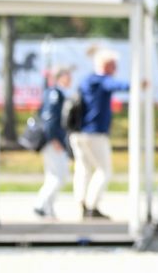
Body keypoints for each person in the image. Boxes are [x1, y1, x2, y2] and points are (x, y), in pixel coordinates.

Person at [71, 48, 130, 219]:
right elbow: (118, 85)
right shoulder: (101, 81)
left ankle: (81, 201)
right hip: (94, 133)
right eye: (114, 65)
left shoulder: (85, 81)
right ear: (106, 65)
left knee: (83, 169)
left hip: (79, 132)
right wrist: (139, 83)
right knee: (104, 170)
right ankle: (92, 205)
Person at [34, 67, 72, 219]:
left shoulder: (55, 92)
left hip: (54, 140)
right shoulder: (55, 93)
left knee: (53, 175)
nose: (70, 79)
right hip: (54, 141)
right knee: (60, 176)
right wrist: (53, 139)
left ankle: (48, 208)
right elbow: (49, 118)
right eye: (68, 75)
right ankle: (40, 204)